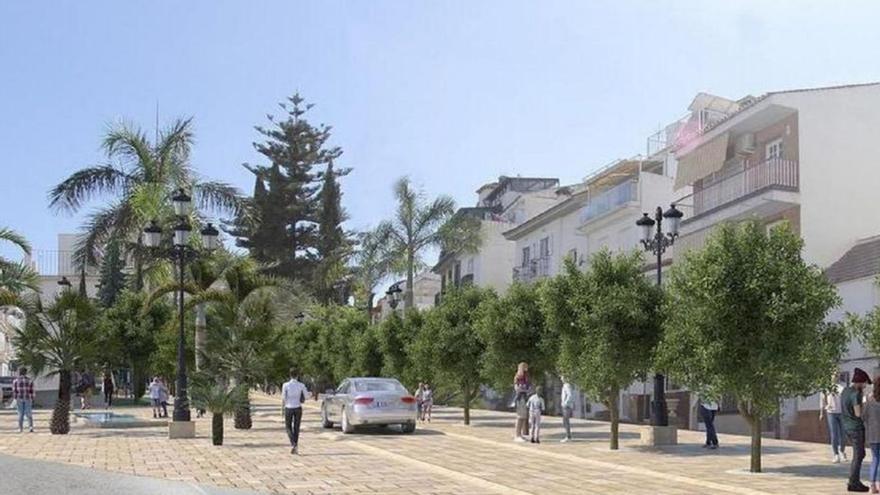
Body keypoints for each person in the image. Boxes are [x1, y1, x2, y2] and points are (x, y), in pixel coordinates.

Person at [843, 367, 871, 492]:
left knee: (859, 454)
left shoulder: (845, 390)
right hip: (856, 428)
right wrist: (867, 405)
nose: (865, 386)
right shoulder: (856, 394)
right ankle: (853, 482)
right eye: (864, 383)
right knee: (858, 455)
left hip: (847, 426)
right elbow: (858, 413)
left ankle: (853, 481)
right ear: (859, 382)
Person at [821, 374, 848, 463]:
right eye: (833, 375)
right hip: (831, 413)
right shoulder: (826, 387)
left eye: (836, 375)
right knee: (834, 434)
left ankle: (842, 451)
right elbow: (822, 399)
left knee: (843, 434)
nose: (835, 377)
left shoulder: (842, 386)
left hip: (842, 413)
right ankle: (836, 454)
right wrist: (823, 410)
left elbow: (846, 399)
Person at [282, 367, 308, 455]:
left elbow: (283, 398)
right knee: (296, 427)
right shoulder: (301, 385)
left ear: (290, 375)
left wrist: (282, 409)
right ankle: (295, 445)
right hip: (298, 407)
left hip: (288, 407)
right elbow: (307, 396)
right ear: (297, 375)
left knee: (288, 427)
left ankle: (293, 444)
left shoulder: (285, 385)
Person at [862, 375, 880, 494]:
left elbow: (864, 416)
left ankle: (872, 486)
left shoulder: (868, 398)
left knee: (875, 458)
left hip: (873, 433)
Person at [12, 367, 35, 433]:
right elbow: (32, 390)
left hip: (19, 398)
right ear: (26, 372)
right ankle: (31, 427)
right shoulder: (30, 380)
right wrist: (32, 398)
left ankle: (20, 428)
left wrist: (15, 399)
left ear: (19, 372)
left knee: (20, 414)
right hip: (28, 398)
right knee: (29, 413)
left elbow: (14, 391)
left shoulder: (15, 381)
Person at [513, 362, 531, 442]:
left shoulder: (525, 377)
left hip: (524, 398)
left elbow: (529, 388)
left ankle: (520, 435)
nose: (526, 369)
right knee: (520, 417)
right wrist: (524, 389)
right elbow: (517, 388)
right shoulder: (518, 377)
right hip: (520, 398)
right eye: (525, 367)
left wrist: (526, 389)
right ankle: (517, 435)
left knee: (523, 417)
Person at [560, 375, 574, 443]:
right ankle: (568, 435)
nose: (561, 378)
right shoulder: (565, 385)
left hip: (566, 406)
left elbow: (569, 395)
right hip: (566, 405)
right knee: (565, 421)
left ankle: (568, 436)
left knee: (566, 421)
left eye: (562, 377)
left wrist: (565, 403)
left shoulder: (567, 385)